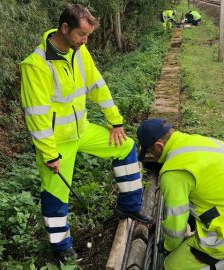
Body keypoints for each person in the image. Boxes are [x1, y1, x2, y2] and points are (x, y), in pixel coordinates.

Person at [20, 4, 152, 262]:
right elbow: (37, 116)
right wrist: (49, 154)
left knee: (125, 147)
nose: (85, 41)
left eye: (88, 36)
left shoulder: (79, 52)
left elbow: (98, 86)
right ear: (65, 28)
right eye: (82, 35)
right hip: (57, 143)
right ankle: (60, 247)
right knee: (56, 193)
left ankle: (129, 207)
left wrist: (115, 122)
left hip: (82, 131)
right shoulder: (36, 66)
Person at [137, 119, 224, 270]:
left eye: (150, 152)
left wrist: (168, 247)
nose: (152, 156)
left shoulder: (173, 172)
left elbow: (175, 226)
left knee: (172, 266)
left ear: (158, 146)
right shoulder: (204, 142)